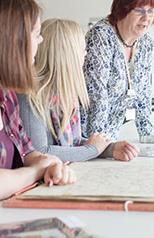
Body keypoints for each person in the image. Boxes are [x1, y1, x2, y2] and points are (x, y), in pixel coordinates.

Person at [0, 0, 76, 206]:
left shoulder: (4, 94)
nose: (41, 40)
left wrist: (49, 165)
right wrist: (36, 172)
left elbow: (28, 152)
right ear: (10, 41)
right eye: (36, 33)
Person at [17, 19, 139, 162]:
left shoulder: (66, 95)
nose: (85, 54)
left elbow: (71, 144)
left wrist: (109, 149)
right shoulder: (30, 95)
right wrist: (92, 150)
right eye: (82, 49)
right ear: (69, 55)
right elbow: (40, 152)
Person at [81, 0, 154, 141]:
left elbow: (144, 91)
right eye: (140, 10)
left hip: (111, 134)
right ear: (123, 10)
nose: (147, 18)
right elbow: (97, 95)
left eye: (152, 11)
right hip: (86, 135)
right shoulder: (100, 37)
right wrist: (97, 145)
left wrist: (148, 140)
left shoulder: (146, 42)